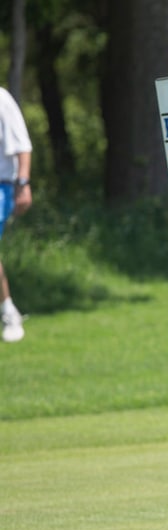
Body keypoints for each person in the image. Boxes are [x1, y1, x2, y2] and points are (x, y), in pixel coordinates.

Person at [0, 87, 33, 343]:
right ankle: (8, 307)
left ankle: (9, 312)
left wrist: (23, 183)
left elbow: (22, 145)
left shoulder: (1, 99)